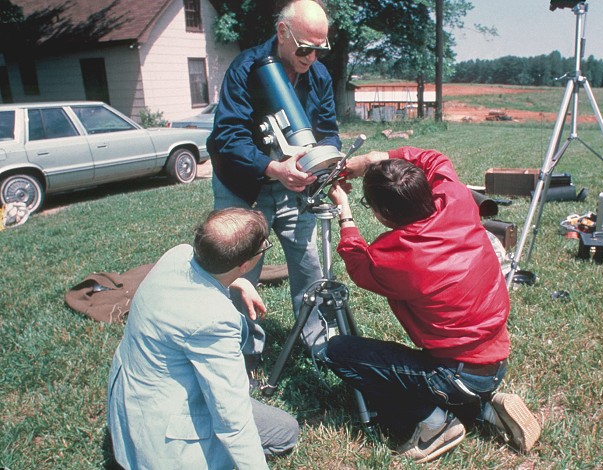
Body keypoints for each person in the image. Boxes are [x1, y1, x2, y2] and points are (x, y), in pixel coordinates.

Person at [325, 147, 541, 464]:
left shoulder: (400, 255)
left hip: (454, 373)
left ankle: (434, 422)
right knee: (449, 377)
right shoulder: (456, 198)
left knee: (339, 351)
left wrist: (343, 209)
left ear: (382, 213)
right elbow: (434, 158)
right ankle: (485, 407)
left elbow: (359, 266)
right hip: (494, 361)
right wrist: (376, 159)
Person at [107, 208, 299, 469]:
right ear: (244, 265)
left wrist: (236, 282)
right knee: (285, 432)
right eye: (264, 246)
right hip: (164, 444)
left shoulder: (177, 255)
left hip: (132, 407)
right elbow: (233, 422)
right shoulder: (215, 320)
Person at [207, 0, 339, 355]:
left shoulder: (318, 76)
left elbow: (328, 131)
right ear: (283, 32)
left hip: (295, 184)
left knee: (308, 262)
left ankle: (318, 341)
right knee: (240, 269)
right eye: (305, 49)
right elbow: (228, 136)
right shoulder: (246, 68)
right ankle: (240, 350)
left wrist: (324, 163)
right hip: (244, 185)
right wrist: (273, 168)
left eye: (319, 50)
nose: (311, 58)